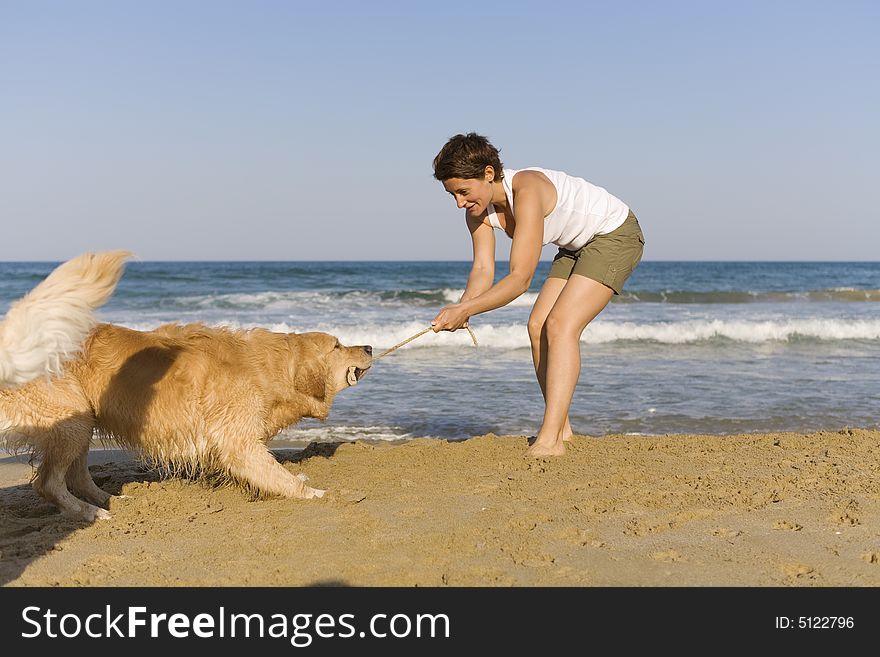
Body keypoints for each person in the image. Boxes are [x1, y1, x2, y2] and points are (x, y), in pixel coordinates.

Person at [430, 133, 644, 457]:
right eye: (452, 195)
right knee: (536, 327)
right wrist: (463, 308)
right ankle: (562, 430)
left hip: (614, 234)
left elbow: (520, 279)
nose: (460, 202)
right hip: (575, 247)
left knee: (559, 325)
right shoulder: (477, 212)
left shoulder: (527, 190)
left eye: (463, 191)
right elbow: (483, 272)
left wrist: (468, 308)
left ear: (489, 174)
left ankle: (550, 439)